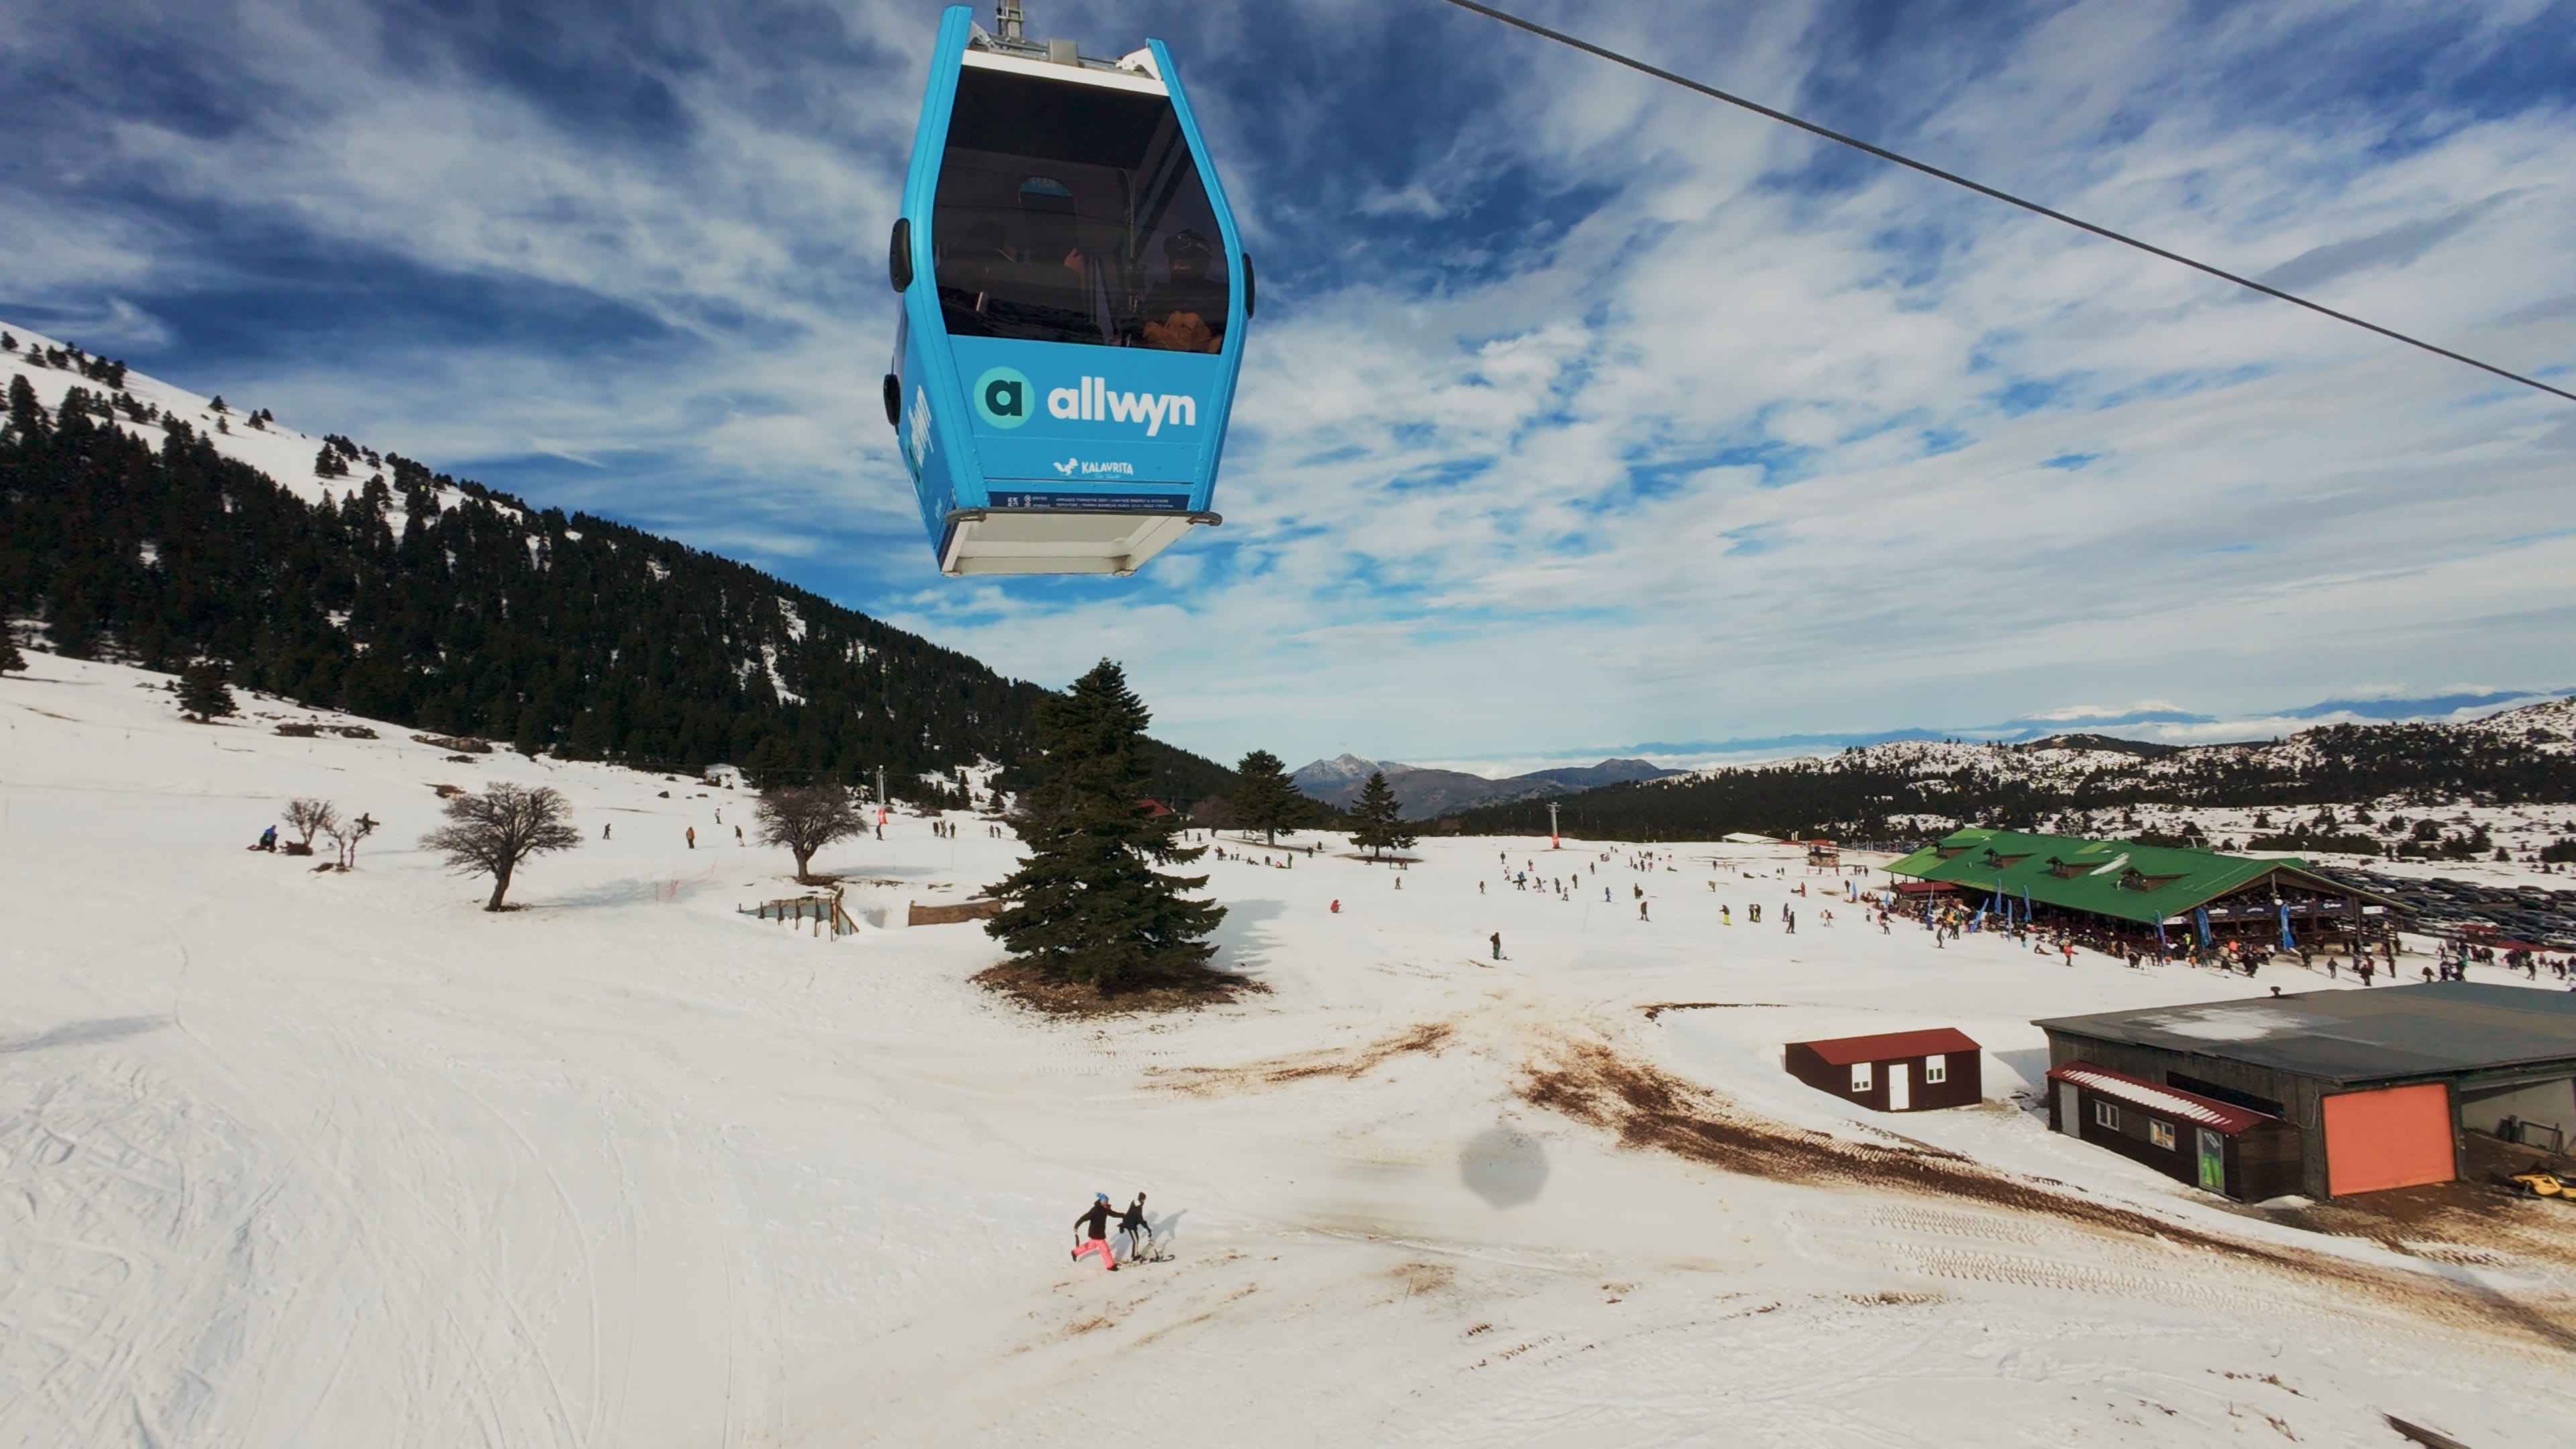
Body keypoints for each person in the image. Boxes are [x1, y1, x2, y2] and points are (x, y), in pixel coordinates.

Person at [1073, 1193, 1118, 1272]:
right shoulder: (1095, 1210)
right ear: (1101, 1201)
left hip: (1098, 1233)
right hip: (1096, 1233)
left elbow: (1113, 1214)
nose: (1106, 1203)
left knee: (1091, 1245)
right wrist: (1077, 1225)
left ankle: (1075, 1252)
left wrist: (1123, 1215)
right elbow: (1084, 1217)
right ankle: (1110, 1266)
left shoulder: (1106, 1209)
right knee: (1105, 1250)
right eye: (1104, 1202)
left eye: (1107, 1202)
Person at [1119, 1193, 1151, 1262]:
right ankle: (1134, 1257)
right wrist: (1147, 1228)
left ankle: (1135, 1255)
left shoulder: (1134, 1204)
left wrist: (1144, 1224)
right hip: (1130, 1225)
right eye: (1144, 1199)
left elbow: (1138, 1217)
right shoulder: (1138, 1207)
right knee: (1136, 1240)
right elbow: (1139, 1219)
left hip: (1130, 1223)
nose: (1144, 1201)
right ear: (1142, 1199)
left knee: (1136, 1239)